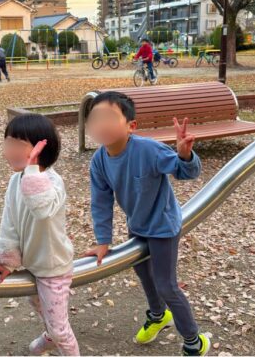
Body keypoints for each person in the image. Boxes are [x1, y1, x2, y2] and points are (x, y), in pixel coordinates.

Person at [82, 92, 209, 356]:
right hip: (137, 224)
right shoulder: (99, 161)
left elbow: (186, 173)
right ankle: (158, 315)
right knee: (143, 275)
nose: (101, 124)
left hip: (162, 226)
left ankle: (193, 340)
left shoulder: (148, 150)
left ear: (131, 126)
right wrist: (103, 240)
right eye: (95, 118)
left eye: (109, 118)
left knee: (166, 285)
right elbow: (101, 202)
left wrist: (185, 155)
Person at [0, 115, 79, 355]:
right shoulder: (16, 181)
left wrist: (33, 171)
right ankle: (49, 336)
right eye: (7, 142)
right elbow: (10, 222)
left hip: (53, 267)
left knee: (60, 329)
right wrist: (7, 261)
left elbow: (42, 208)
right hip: (31, 264)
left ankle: (53, 337)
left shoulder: (53, 182)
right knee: (39, 307)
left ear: (41, 147)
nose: (9, 150)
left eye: (17, 144)